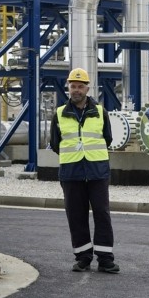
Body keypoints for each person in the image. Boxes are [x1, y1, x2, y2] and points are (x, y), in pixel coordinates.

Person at [50, 67, 119, 274]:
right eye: (73, 86)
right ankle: (83, 258)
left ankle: (105, 259)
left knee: (102, 214)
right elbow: (55, 144)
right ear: (68, 88)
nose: (76, 90)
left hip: (97, 171)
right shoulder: (59, 114)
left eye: (80, 86)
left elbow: (107, 138)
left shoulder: (100, 112)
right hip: (71, 172)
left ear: (87, 89)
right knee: (76, 216)